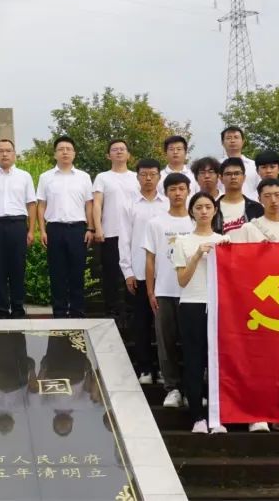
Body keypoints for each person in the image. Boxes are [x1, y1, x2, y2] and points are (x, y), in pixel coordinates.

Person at [229, 178, 279, 433]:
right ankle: (257, 414)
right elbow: (236, 262)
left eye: (277, 195)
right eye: (268, 195)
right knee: (260, 362)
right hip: (261, 305)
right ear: (260, 199)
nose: (273, 200)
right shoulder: (250, 229)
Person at [172, 192, 229, 434]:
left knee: (219, 363)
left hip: (220, 307)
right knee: (194, 361)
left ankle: (218, 417)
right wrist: (197, 254)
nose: (204, 211)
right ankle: (197, 417)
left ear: (214, 211)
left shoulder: (225, 240)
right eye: (198, 207)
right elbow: (182, 280)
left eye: (208, 207)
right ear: (191, 211)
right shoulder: (182, 241)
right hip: (192, 305)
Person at [141, 173, 195, 410]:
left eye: (181, 188)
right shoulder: (156, 223)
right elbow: (150, 260)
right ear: (166, 193)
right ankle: (172, 388)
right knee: (166, 342)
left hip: (194, 292)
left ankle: (194, 388)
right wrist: (151, 291)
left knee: (193, 342)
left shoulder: (196, 222)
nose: (177, 193)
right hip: (165, 290)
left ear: (188, 190)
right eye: (172, 189)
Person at [116, 158, 167, 383]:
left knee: (165, 326)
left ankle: (166, 370)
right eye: (144, 174)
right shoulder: (129, 205)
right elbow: (124, 239)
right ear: (137, 177)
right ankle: (145, 368)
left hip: (166, 274)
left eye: (152, 174)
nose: (148, 178)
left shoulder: (167, 204)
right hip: (138, 273)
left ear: (159, 177)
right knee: (141, 324)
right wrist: (126, 270)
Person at [0, 139, 36, 319]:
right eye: (0, 151)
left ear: (14, 154)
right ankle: (1, 309)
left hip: (18, 225)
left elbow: (31, 204)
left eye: (8, 150)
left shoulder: (25, 176)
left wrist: (31, 230)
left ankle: (18, 308)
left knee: (18, 269)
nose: (4, 154)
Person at [36, 136, 94, 319]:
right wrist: (42, 230)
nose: (65, 152)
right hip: (54, 229)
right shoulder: (46, 177)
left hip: (78, 230)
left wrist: (90, 228)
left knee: (77, 273)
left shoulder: (84, 177)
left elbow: (89, 205)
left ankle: (77, 311)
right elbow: (41, 205)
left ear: (74, 153)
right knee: (57, 273)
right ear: (55, 154)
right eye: (61, 149)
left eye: (69, 148)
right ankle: (59, 312)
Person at [92, 140, 140, 323]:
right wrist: (98, 227)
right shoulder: (103, 177)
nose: (119, 152)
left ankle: (131, 311)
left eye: (122, 149)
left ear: (128, 155)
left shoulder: (137, 177)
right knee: (111, 274)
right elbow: (97, 203)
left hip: (134, 234)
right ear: (108, 155)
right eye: (114, 149)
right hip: (110, 232)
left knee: (133, 273)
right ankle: (112, 311)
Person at [216, 157, 263, 234]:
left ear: (244, 178)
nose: (233, 177)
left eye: (237, 173)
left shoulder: (256, 208)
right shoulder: (214, 209)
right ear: (221, 178)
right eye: (228, 174)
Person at [220, 126, 260, 200]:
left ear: (243, 141)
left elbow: (260, 188)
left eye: (236, 137)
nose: (232, 141)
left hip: (251, 207)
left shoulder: (254, 166)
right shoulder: (217, 166)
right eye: (228, 138)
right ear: (222, 142)